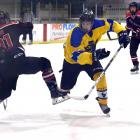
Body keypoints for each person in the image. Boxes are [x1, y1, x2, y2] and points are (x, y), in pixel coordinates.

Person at [60, 9, 130, 114]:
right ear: (80, 22)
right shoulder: (75, 34)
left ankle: (103, 101)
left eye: (88, 24)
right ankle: (65, 89)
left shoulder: (99, 24)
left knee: (100, 75)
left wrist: (122, 32)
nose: (85, 26)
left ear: (93, 23)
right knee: (65, 89)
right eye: (83, 24)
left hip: (90, 57)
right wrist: (94, 55)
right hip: (72, 62)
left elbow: (112, 24)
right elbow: (76, 56)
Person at [0, 12, 69, 105]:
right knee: (45, 63)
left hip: (4, 68)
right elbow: (29, 27)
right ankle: (54, 92)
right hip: (19, 61)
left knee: (5, 93)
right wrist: (25, 23)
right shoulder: (12, 25)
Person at [126, 2, 140, 73]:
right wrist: (126, 35)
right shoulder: (128, 17)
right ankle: (135, 65)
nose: (132, 9)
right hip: (135, 36)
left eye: (134, 7)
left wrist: (138, 30)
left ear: (136, 8)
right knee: (132, 50)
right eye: (131, 7)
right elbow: (128, 27)